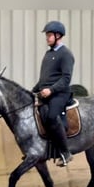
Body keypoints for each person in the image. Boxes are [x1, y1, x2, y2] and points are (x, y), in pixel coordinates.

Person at [32, 21, 74, 167]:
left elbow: (66, 79)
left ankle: (65, 152)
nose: (47, 38)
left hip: (60, 94)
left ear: (58, 36)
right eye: (47, 35)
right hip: (45, 93)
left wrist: (51, 90)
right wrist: (32, 91)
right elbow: (43, 79)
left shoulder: (66, 54)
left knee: (51, 117)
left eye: (49, 35)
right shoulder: (48, 54)